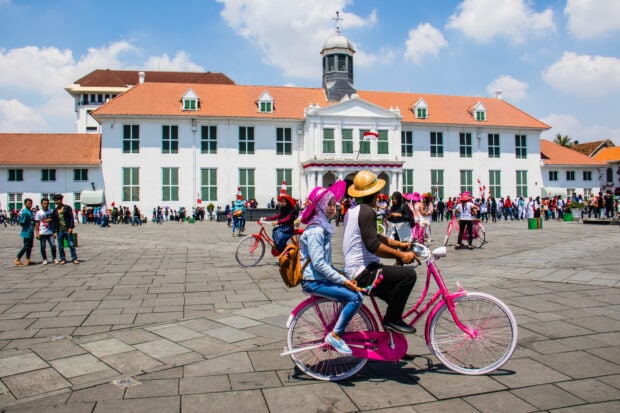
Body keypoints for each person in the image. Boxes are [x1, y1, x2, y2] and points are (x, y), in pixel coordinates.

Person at [343, 170, 419, 334]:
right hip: (363, 273)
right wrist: (400, 255)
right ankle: (391, 320)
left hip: (357, 269)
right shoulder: (367, 212)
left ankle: (393, 346)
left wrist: (400, 244)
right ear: (374, 193)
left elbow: (376, 236)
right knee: (408, 275)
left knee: (394, 300)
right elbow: (373, 244)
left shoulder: (353, 211)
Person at [299, 181, 362, 355]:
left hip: (319, 278)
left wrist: (343, 276)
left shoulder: (323, 227)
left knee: (351, 291)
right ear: (320, 206)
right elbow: (319, 264)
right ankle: (335, 334)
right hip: (313, 281)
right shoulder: (316, 230)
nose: (334, 208)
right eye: (330, 204)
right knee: (355, 298)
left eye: (335, 204)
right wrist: (343, 280)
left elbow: (325, 263)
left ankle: (337, 327)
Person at [261, 189, 298, 254]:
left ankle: (284, 249)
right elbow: (277, 216)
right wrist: (266, 218)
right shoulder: (283, 209)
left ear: (287, 202)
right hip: (283, 226)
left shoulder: (292, 209)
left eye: (284, 201)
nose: (282, 202)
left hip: (289, 227)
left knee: (279, 233)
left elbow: (287, 219)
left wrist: (277, 222)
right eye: (281, 201)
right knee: (274, 230)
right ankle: (278, 246)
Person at [51, 194, 79, 264]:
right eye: (56, 200)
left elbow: (71, 218)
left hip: (67, 229)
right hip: (59, 230)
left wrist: (70, 227)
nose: (57, 201)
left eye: (58, 200)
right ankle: (62, 258)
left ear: (61, 200)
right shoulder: (55, 211)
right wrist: (54, 232)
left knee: (71, 244)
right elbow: (53, 222)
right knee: (60, 245)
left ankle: (74, 258)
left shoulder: (67, 208)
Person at [35, 197, 58, 265]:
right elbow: (37, 223)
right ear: (42, 204)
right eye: (44, 203)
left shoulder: (51, 211)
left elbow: (55, 221)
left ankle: (54, 258)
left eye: (47, 203)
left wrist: (54, 231)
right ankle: (44, 259)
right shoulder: (39, 213)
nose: (46, 205)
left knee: (53, 245)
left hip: (50, 231)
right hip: (42, 232)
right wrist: (37, 233)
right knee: (43, 246)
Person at [15, 198, 35, 266]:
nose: (29, 204)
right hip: (26, 231)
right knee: (26, 246)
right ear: (25, 204)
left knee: (30, 246)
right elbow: (21, 222)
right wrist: (26, 226)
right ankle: (17, 258)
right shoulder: (25, 212)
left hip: (31, 231)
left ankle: (28, 259)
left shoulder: (30, 211)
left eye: (30, 203)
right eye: (28, 203)